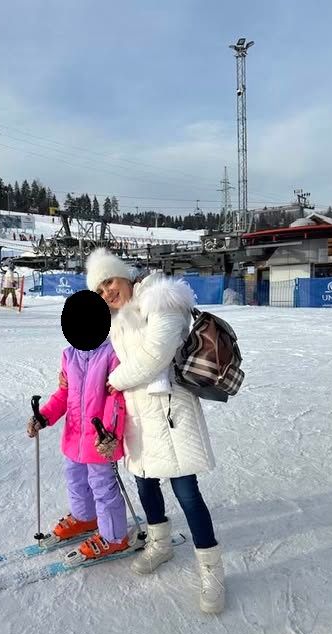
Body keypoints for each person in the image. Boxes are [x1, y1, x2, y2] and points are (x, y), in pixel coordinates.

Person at [84, 247, 225, 614]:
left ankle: (211, 570)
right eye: (99, 290)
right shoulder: (117, 320)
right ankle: (160, 544)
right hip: (137, 416)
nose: (107, 293)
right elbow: (110, 359)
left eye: (109, 282)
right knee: (145, 482)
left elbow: (153, 357)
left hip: (170, 413)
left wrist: (113, 381)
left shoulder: (160, 300)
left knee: (186, 491)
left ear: (124, 275)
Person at [27, 319, 129, 561]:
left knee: (102, 485)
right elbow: (64, 394)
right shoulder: (69, 355)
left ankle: (115, 536)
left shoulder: (113, 353)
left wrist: (109, 433)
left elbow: (117, 399)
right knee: (75, 479)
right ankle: (85, 517)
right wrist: (45, 416)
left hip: (100, 439)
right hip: (74, 435)